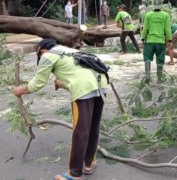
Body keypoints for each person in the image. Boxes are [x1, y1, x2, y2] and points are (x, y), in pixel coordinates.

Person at [12, 38, 107, 180]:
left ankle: (75, 173)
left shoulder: (47, 55)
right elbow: (81, 74)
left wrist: (21, 90)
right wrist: (63, 84)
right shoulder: (71, 51)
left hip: (84, 90)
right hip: (101, 84)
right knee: (93, 127)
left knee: (80, 131)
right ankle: (88, 164)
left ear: (42, 51)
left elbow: (38, 83)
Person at [141, 0, 172, 83]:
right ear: (161, 5)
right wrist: (169, 40)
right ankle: (159, 78)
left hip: (149, 41)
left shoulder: (148, 15)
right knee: (160, 59)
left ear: (153, 5)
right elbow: (167, 29)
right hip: (160, 42)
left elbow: (145, 28)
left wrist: (142, 39)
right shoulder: (165, 15)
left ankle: (147, 76)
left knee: (147, 58)